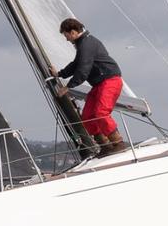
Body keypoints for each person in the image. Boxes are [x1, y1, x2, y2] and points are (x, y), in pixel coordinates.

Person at [49, 18, 125, 156]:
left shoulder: (87, 43)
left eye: (66, 36)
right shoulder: (82, 44)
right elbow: (76, 64)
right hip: (99, 83)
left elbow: (83, 69)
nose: (67, 40)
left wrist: (68, 87)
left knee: (101, 112)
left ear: (72, 32)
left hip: (110, 80)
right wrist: (59, 74)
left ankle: (118, 143)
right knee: (88, 116)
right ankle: (105, 146)